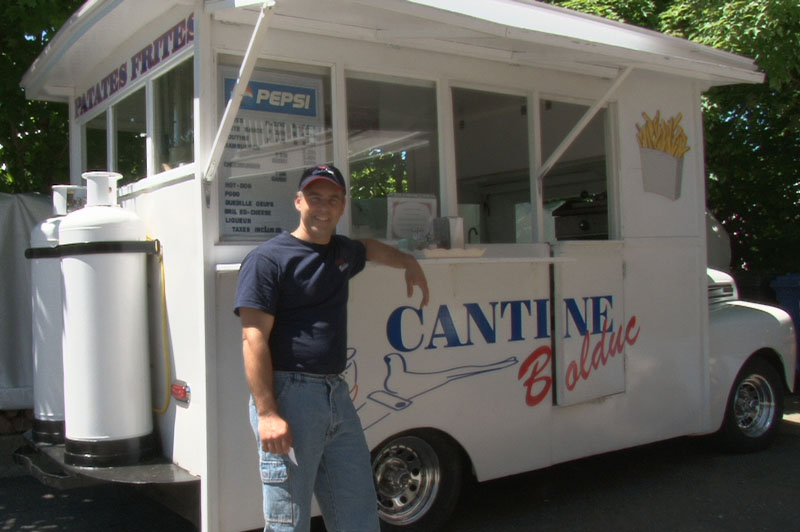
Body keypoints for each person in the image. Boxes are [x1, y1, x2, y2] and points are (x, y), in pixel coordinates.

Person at [234, 164, 429, 532]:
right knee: (289, 524)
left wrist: (406, 260)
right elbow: (252, 338)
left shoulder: (341, 253)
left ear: (342, 207)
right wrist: (267, 414)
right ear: (298, 201)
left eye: (332, 199)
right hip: (290, 396)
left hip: (336, 395)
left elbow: (368, 248)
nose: (323, 207)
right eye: (315, 197)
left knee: (358, 515)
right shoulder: (267, 260)